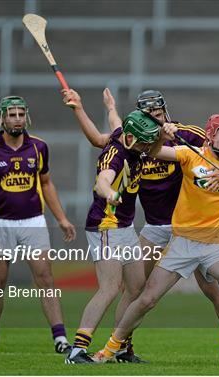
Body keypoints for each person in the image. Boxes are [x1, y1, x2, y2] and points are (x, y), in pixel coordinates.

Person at [91, 114, 219, 366]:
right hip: (183, 244)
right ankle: (110, 349)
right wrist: (163, 136)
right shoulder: (190, 155)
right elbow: (156, 153)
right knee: (147, 299)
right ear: (210, 134)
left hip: (215, 247)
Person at [61, 88, 219, 353]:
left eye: (159, 114)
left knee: (211, 289)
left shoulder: (184, 134)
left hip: (186, 227)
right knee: (134, 290)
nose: (156, 120)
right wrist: (81, 108)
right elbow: (102, 140)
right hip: (153, 229)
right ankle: (119, 347)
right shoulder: (138, 139)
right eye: (150, 116)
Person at [0, 96, 76, 353]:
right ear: (2, 119)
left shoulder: (39, 147)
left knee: (45, 278)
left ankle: (60, 338)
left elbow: (46, 184)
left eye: (21, 114)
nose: (17, 119)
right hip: (1, 222)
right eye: (12, 114)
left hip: (33, 221)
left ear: (27, 117)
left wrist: (62, 219)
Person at [64, 109, 162, 364]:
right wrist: (109, 193)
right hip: (106, 226)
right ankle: (76, 351)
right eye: (144, 143)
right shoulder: (116, 157)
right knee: (109, 289)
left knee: (136, 288)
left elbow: (116, 123)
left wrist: (109, 107)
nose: (148, 148)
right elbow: (102, 182)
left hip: (125, 227)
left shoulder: (124, 136)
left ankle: (119, 347)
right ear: (131, 139)